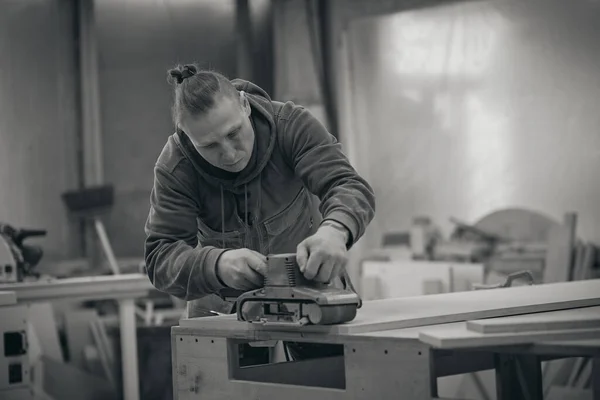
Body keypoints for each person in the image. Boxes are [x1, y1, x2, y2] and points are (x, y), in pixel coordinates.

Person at [144, 63, 375, 358]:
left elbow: (347, 185)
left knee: (329, 382)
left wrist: (336, 230)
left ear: (244, 104)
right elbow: (160, 257)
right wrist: (218, 265)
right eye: (209, 146)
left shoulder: (292, 125)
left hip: (310, 292)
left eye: (234, 133)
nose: (229, 154)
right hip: (222, 305)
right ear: (188, 138)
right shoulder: (176, 166)